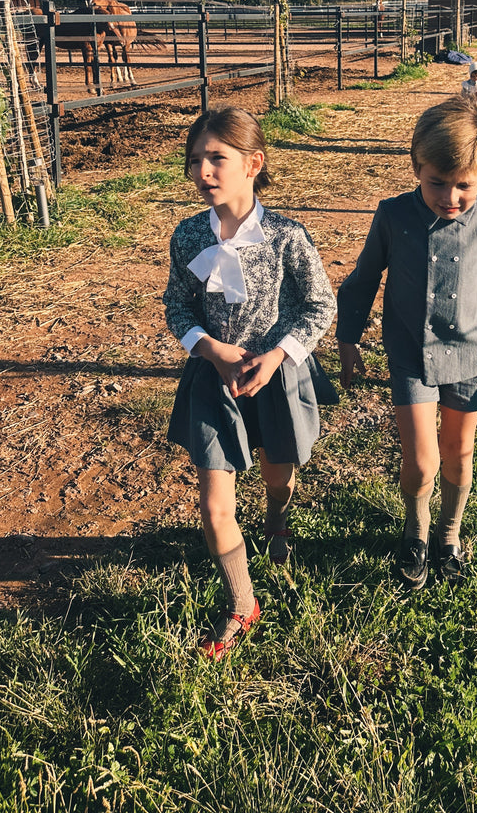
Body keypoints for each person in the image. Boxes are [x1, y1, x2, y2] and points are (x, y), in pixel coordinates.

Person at [336, 96, 477, 589]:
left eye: (464, 186)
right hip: (410, 354)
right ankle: (417, 529)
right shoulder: (392, 216)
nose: (450, 197)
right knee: (422, 459)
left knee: (458, 452)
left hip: (469, 356)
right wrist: (349, 338)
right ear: (417, 166)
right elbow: (364, 279)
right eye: (437, 182)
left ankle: (449, 536)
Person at [163, 105, 337, 659]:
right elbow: (176, 305)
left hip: (276, 378)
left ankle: (278, 525)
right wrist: (209, 349)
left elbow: (320, 303)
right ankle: (242, 602)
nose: (203, 171)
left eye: (217, 158)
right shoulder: (189, 236)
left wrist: (278, 355)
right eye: (195, 161)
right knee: (215, 502)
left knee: (276, 475)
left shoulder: (287, 237)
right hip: (214, 380)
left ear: (254, 163)